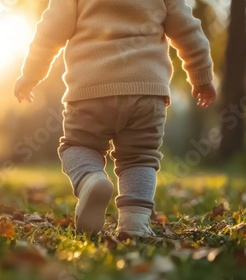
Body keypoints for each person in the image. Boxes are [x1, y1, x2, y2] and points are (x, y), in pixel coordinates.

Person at [14, 0, 217, 236]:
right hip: (147, 90)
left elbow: (51, 28)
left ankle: (90, 179)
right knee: (139, 157)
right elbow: (186, 27)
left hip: (90, 89)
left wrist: (30, 73)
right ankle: (134, 222)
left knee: (78, 146)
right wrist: (201, 76)